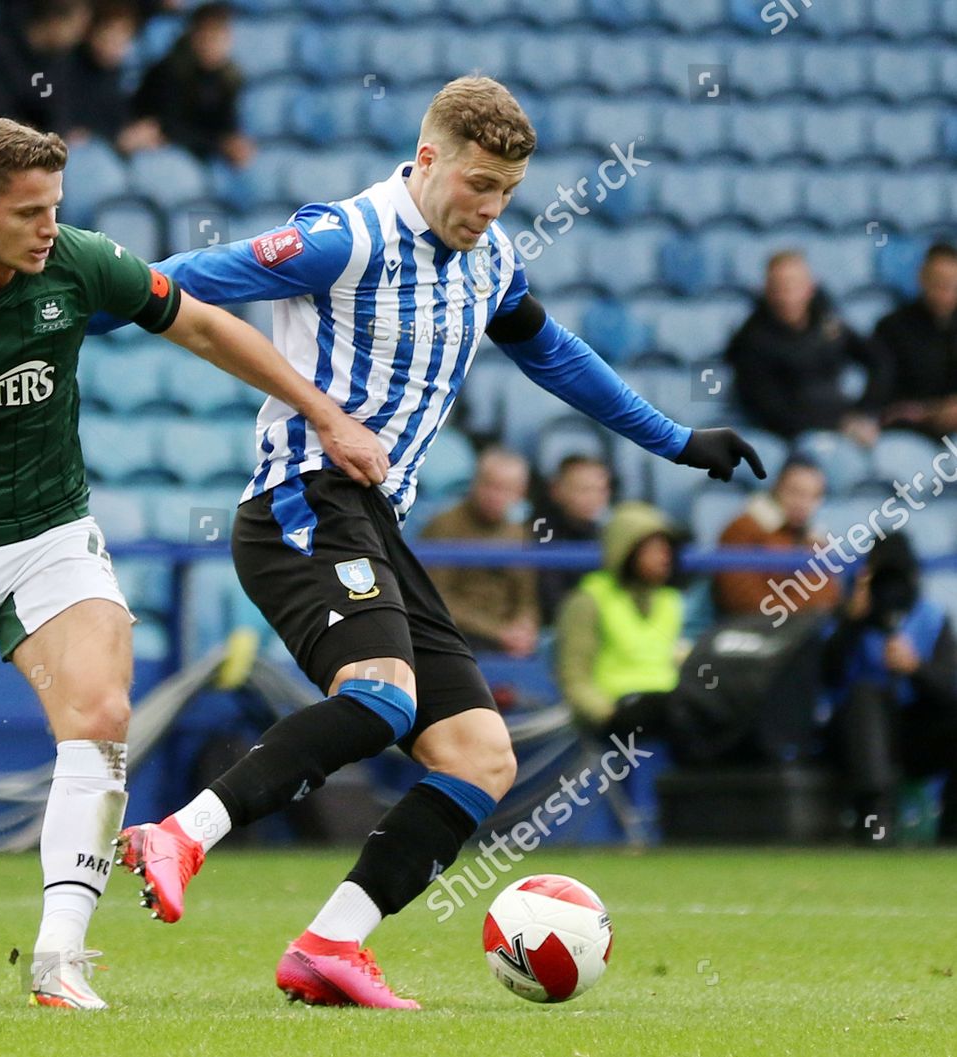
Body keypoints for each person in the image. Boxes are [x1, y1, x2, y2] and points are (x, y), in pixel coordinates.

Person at [104, 75, 763, 1008]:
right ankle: (183, 832)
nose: (489, 209)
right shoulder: (344, 236)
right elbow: (181, 283)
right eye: (476, 185)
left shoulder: (490, 260)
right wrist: (53, 322)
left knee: (479, 755)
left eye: (506, 192)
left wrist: (680, 440)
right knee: (379, 697)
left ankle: (330, 947)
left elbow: (559, 356)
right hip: (302, 504)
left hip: (375, 526)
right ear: (427, 160)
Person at [0, 118, 386, 1011]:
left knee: (100, 712)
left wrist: (324, 413)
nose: (50, 226)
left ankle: (59, 957)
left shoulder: (79, 261)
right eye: (29, 212)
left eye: (56, 206)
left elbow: (202, 328)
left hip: (47, 534)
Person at [822, 533, 957, 845]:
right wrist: (849, 623)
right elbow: (827, 677)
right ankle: (875, 822)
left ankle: (951, 834)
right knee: (865, 694)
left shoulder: (933, 618)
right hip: (854, 738)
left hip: (915, 735)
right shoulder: (847, 618)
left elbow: (948, 691)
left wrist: (916, 669)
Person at [553, 502, 684, 740]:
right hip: (618, 708)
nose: (664, 556)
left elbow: (671, 654)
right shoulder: (588, 600)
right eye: (653, 548)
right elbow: (573, 677)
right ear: (625, 550)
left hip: (668, 709)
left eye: (667, 548)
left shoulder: (669, 600)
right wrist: (608, 715)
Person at [724, 250, 883, 445]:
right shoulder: (751, 341)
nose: (787, 296)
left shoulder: (827, 322)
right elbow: (771, 412)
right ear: (766, 290)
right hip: (789, 436)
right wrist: (841, 425)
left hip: (841, 418)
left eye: (794, 285)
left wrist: (865, 410)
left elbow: (877, 359)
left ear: (810, 287)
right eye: (779, 287)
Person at [421, 447, 540, 657]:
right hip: (455, 633)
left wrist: (525, 625)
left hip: (507, 636)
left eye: (506, 489)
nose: (496, 496)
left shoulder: (518, 533)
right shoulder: (444, 526)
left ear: (520, 493)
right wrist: (498, 632)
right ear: (475, 483)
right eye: (490, 485)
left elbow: (526, 595)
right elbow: (435, 598)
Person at [0, 0, 90, 143]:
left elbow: (51, 103)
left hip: (28, 151)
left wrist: (55, 133)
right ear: (55, 22)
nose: (79, 37)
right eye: (76, 28)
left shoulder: (51, 60)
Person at [714, 457, 840, 617]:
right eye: (795, 492)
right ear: (776, 489)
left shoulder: (814, 538)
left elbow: (828, 596)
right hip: (754, 628)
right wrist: (802, 611)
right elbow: (742, 600)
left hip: (802, 626)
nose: (803, 503)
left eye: (814, 496)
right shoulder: (743, 529)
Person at [133, 2, 254, 166]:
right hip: (161, 152)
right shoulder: (168, 73)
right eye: (205, 37)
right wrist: (218, 145)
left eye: (218, 37)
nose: (211, 45)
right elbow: (169, 128)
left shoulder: (229, 77)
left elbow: (227, 126)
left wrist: (233, 144)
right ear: (193, 36)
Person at [873, 243, 957, 440]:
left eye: (952, 284)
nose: (945, 291)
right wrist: (933, 412)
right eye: (939, 281)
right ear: (922, 278)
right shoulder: (891, 328)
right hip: (909, 433)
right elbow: (883, 400)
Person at [69, 2, 164, 154]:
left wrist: (136, 132)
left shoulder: (115, 73)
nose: (116, 44)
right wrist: (117, 137)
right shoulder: (69, 66)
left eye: (123, 37)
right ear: (91, 33)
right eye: (110, 34)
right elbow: (76, 124)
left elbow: (118, 117)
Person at [531, 452, 612, 622]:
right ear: (556, 490)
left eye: (600, 490)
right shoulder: (539, 531)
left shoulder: (608, 534)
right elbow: (549, 598)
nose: (594, 498)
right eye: (584, 490)